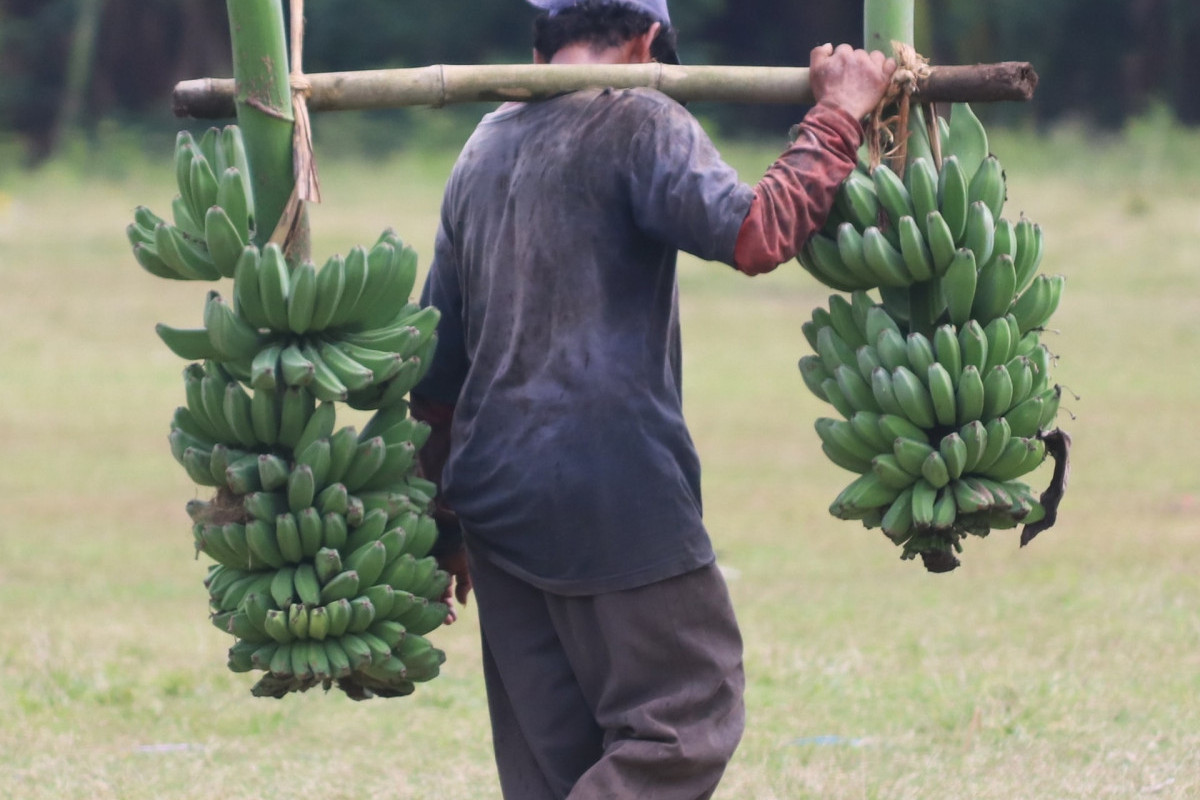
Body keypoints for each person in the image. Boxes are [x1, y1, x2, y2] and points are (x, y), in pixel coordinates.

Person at [409, 2, 896, 797]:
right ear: (645, 44)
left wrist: (443, 523)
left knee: (550, 765)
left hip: (492, 497)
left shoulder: (483, 146)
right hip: (612, 485)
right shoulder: (637, 117)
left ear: (538, 48)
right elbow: (757, 233)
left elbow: (437, 376)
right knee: (686, 716)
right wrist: (838, 114)